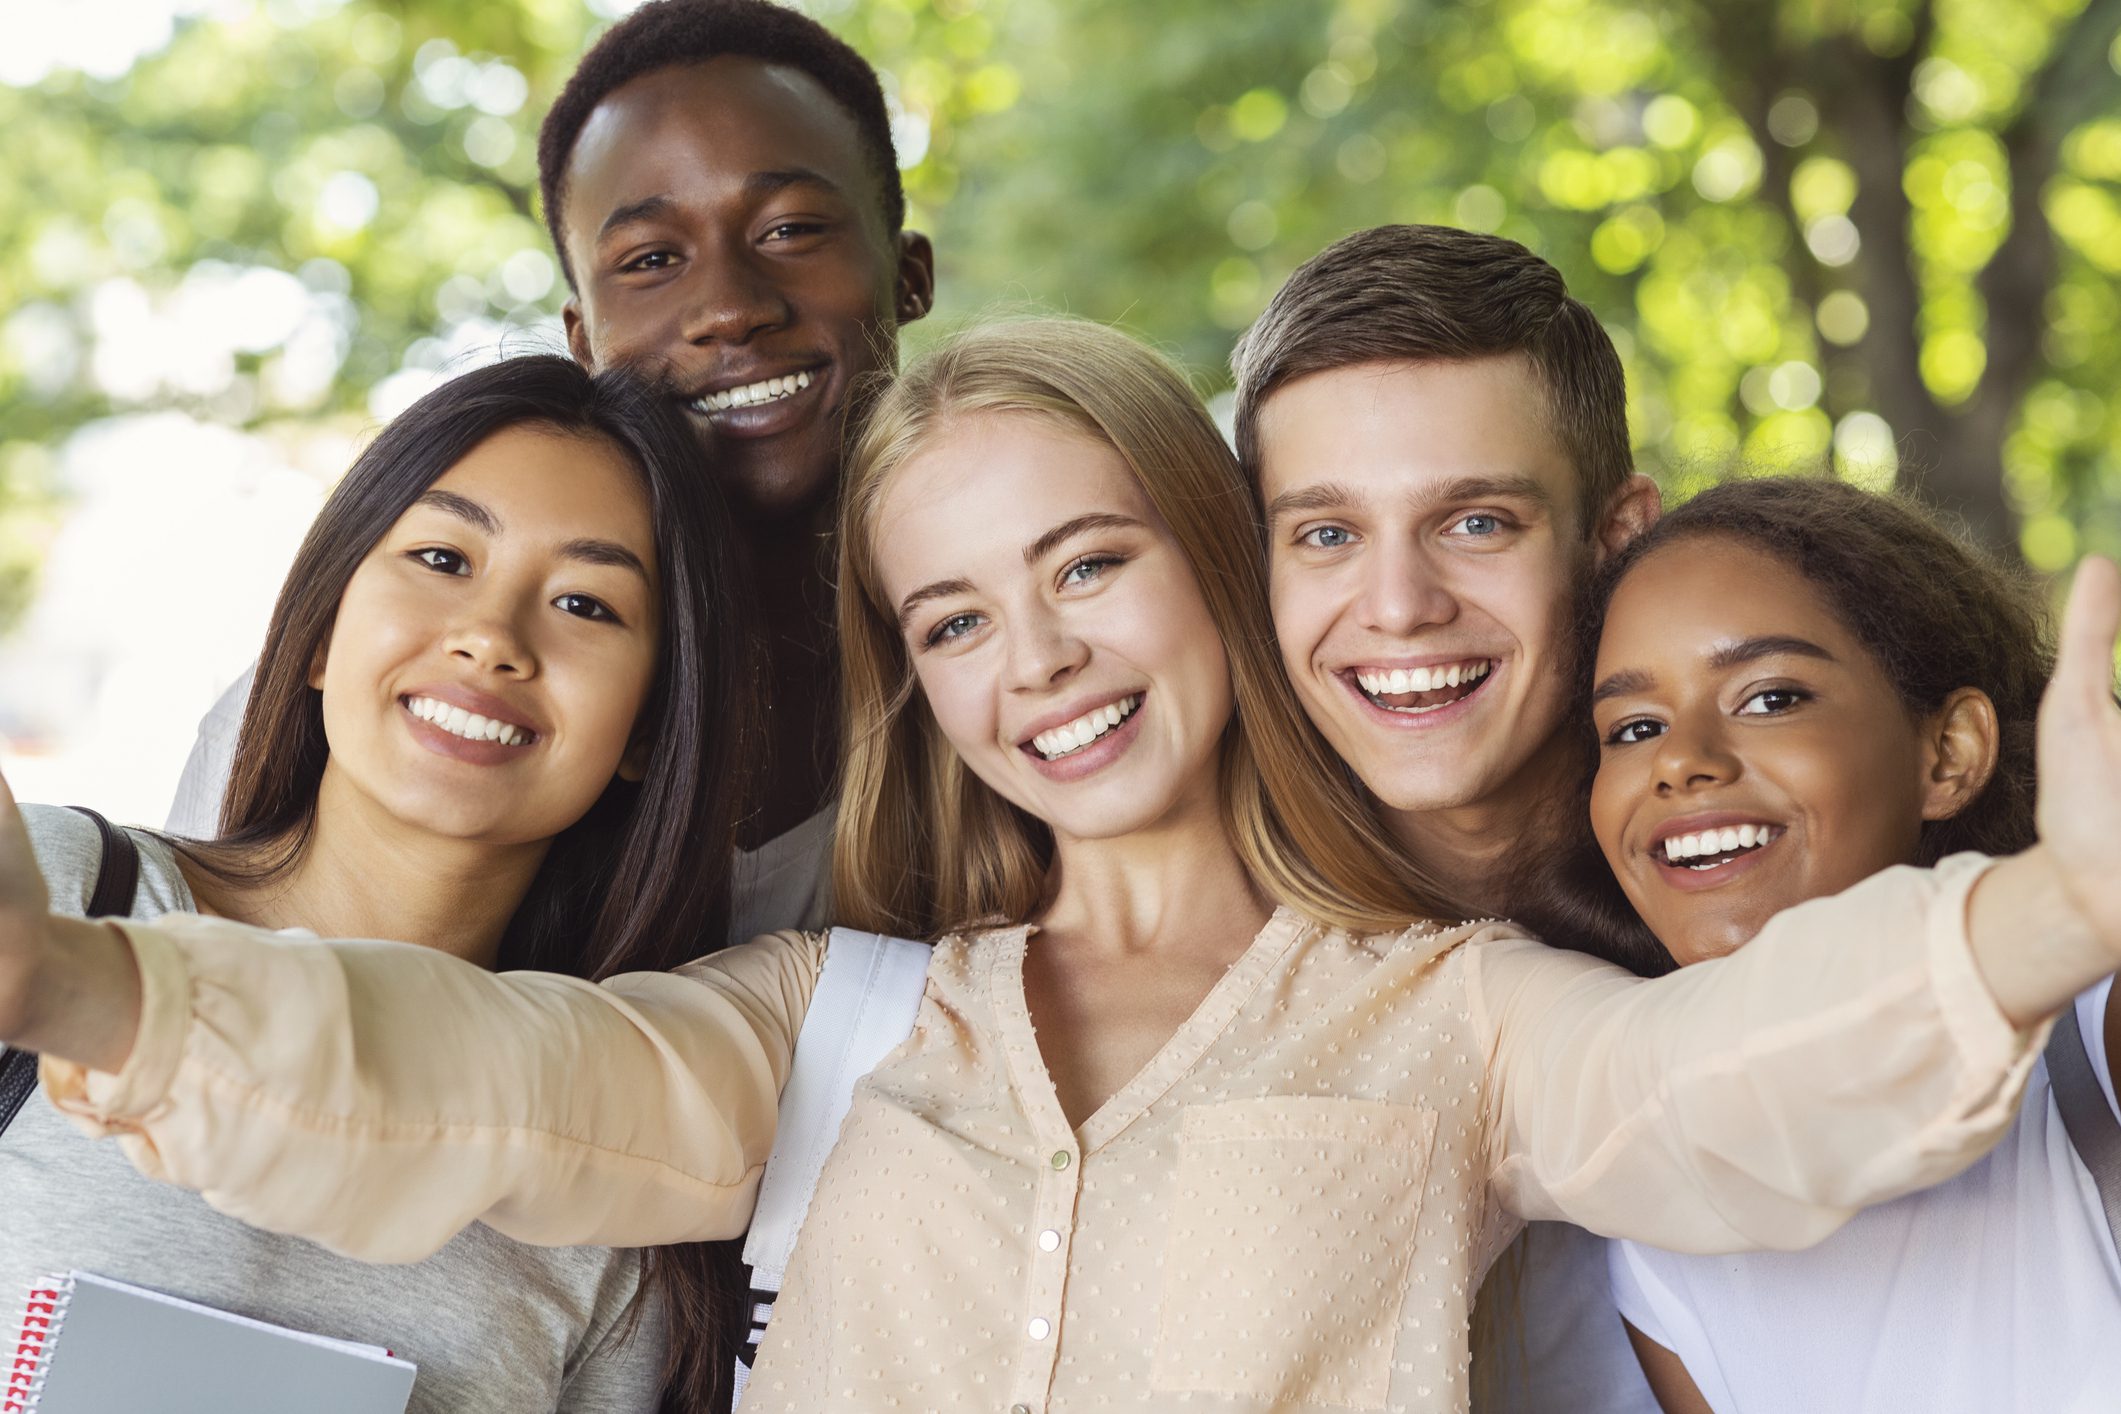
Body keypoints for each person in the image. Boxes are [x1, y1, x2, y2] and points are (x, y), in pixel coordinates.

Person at [6, 320, 2120, 1414]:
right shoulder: (830, 1013)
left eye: (1087, 565)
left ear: (1209, 570)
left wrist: (2054, 905)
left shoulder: (1449, 1012)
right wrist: (93, 987)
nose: (1033, 661)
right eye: (948, 617)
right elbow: (479, 1071)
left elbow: (1717, 1084)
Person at [0, 355, 763, 1412]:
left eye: (586, 602)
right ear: (318, 631)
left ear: (647, 727)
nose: (491, 637)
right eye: (444, 556)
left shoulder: (617, 1180)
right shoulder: (58, 894)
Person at [166, 0, 935, 950]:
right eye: (651, 259)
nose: (729, 309)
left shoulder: (998, 689)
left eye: (790, 231)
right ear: (583, 338)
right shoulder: (367, 720)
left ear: (909, 275)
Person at [1229, 223, 1667, 1408]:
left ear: (1615, 539)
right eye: (1327, 534)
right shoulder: (1202, 960)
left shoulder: (1760, 884)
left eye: (1475, 521)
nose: (1400, 605)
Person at [1566, 477, 2119, 1413]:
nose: (1680, 758)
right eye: (1635, 727)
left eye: (1770, 696)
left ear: (1944, 755)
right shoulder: (1645, 1223)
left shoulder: (2089, 1020)